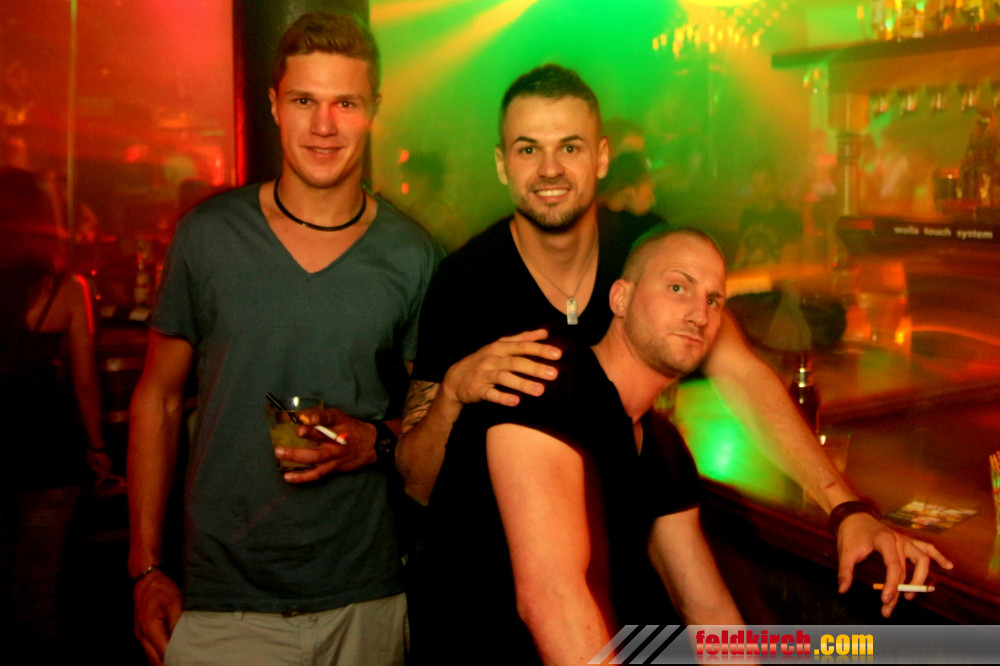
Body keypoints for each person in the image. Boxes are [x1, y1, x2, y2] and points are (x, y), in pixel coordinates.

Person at [396, 64, 951, 621]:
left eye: (569, 147)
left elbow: (741, 373)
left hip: (607, 590)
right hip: (476, 598)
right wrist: (453, 394)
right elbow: (417, 483)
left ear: (602, 157)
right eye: (527, 149)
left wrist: (845, 508)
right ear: (502, 164)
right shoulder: (464, 282)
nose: (549, 169)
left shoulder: (651, 255)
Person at [127, 12, 440, 666]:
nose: (324, 125)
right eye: (304, 101)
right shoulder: (209, 236)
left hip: (366, 594)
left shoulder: (414, 256)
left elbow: (434, 428)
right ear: (273, 105)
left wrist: (373, 440)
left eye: (345, 103)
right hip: (222, 601)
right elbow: (158, 399)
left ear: (373, 111)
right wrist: (145, 567)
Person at [409, 229, 744, 664]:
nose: (699, 314)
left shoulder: (661, 444)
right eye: (678, 287)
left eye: (714, 300)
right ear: (620, 299)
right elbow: (552, 600)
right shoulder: (548, 382)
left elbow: (706, 609)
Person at [0, 167, 112, 657]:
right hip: (48, 453)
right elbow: (85, 382)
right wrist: (97, 446)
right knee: (39, 590)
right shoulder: (66, 288)